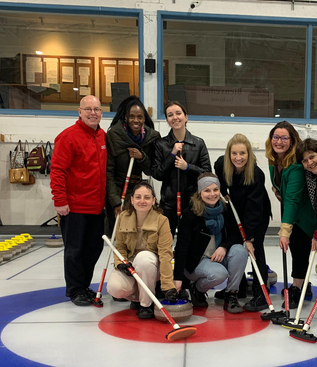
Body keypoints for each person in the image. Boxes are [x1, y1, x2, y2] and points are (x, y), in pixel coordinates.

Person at [50, 95, 107, 307]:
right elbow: (57, 170)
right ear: (79, 112)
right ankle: (75, 290)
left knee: (94, 249)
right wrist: (60, 200)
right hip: (74, 207)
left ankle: (84, 286)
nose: (93, 113)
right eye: (88, 109)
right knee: (75, 251)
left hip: (96, 207)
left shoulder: (102, 136)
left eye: (97, 109)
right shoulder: (68, 137)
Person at [173, 173, 248, 314]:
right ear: (200, 192)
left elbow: (235, 235)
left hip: (218, 256)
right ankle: (197, 289)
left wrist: (223, 247)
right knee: (219, 274)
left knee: (240, 251)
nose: (212, 194)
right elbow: (181, 247)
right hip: (197, 262)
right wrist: (178, 279)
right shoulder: (190, 214)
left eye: (215, 190)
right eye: (207, 190)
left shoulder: (226, 209)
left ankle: (231, 294)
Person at [215, 134, 273, 311]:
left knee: (256, 251)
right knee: (234, 246)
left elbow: (254, 210)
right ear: (228, 154)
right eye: (234, 153)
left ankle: (261, 294)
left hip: (257, 214)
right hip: (233, 212)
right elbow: (220, 185)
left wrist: (249, 238)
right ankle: (237, 288)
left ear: (249, 154)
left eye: (242, 153)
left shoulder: (256, 174)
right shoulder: (220, 164)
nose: (238, 157)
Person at [107, 182, 177, 319]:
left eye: (147, 197)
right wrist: (119, 263)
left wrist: (167, 285)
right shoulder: (123, 217)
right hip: (131, 263)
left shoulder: (162, 220)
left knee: (144, 258)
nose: (142, 201)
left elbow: (165, 254)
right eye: (138, 197)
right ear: (132, 200)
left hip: (152, 264)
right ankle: (139, 297)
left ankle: (146, 305)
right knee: (115, 288)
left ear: (153, 201)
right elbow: (120, 246)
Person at [266, 121, 316, 305]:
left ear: (292, 140)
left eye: (284, 138)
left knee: (299, 248)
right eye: (276, 137)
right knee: (296, 250)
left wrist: (284, 231)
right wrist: (278, 191)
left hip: (302, 216)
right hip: (291, 209)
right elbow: (277, 183)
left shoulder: (295, 165)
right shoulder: (274, 161)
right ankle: (304, 284)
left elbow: (294, 200)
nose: (279, 142)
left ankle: (296, 288)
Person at [151, 101, 211, 236]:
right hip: (169, 203)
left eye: (178, 113)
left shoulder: (198, 143)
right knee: (166, 240)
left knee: (190, 241)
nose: (175, 117)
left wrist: (188, 167)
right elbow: (156, 173)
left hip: (193, 201)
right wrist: (171, 155)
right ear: (167, 120)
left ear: (186, 117)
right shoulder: (161, 144)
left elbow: (207, 174)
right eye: (170, 115)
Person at [105, 95, 161, 233]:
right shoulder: (114, 135)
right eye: (131, 116)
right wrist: (116, 202)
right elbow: (108, 172)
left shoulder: (152, 137)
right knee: (119, 235)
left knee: (138, 234)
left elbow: (150, 170)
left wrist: (141, 157)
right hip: (117, 191)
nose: (136, 120)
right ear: (126, 117)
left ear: (144, 118)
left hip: (138, 191)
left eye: (139, 117)